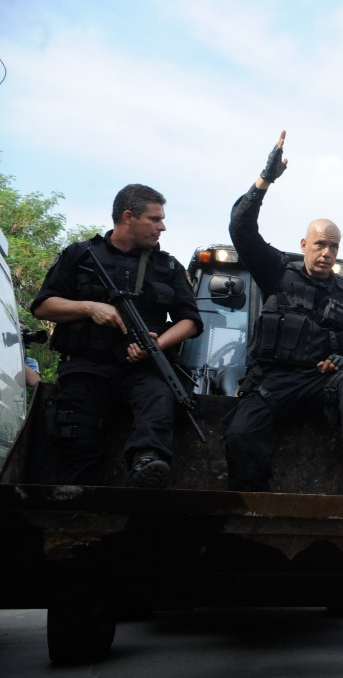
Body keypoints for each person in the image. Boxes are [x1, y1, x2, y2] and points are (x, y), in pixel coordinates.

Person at [225, 131, 343, 497]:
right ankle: (251, 505)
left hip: (321, 383)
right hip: (273, 380)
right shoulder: (277, 269)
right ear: (304, 245)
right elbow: (240, 228)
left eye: (334, 246)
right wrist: (265, 179)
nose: (327, 252)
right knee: (239, 434)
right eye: (320, 244)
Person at [31, 184, 202, 487]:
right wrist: (89, 308)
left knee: (159, 399)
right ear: (128, 217)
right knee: (79, 450)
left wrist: (155, 346)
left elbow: (190, 321)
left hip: (143, 368)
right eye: (154, 219)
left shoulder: (168, 266)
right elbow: (44, 307)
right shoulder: (80, 255)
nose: (162, 227)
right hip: (87, 368)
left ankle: (147, 464)